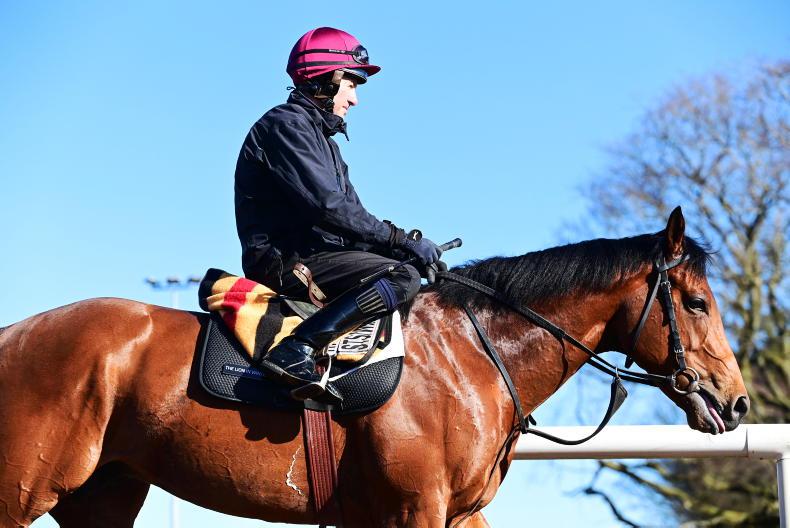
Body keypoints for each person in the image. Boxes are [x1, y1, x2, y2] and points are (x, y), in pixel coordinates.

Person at [234, 27, 442, 401]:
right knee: (401, 278)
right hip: (288, 264)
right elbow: (329, 208)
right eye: (351, 84)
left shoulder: (322, 141)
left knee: (404, 269)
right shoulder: (286, 126)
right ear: (325, 80)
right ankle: (297, 348)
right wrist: (400, 243)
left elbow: (351, 221)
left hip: (317, 256)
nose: (355, 99)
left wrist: (402, 247)